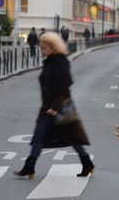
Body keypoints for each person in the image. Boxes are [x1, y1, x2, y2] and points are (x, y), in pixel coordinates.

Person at [13, 32, 94, 179]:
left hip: (59, 106)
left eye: (44, 48)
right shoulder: (50, 61)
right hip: (48, 106)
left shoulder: (60, 62)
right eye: (41, 48)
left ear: (53, 47)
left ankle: (86, 162)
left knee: (70, 137)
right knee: (40, 136)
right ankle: (29, 167)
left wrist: (55, 107)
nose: (42, 51)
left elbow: (65, 87)